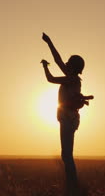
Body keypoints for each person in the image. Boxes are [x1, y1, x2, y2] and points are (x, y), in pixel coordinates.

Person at [40, 33, 93, 193]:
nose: (66, 63)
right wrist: (49, 42)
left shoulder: (72, 79)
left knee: (67, 155)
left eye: (69, 62)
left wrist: (45, 67)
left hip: (68, 118)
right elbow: (57, 60)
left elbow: (50, 79)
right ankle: (72, 185)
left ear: (73, 66)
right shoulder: (72, 78)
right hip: (69, 118)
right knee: (66, 154)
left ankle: (72, 186)